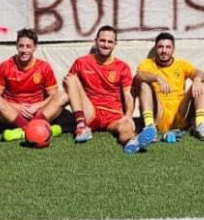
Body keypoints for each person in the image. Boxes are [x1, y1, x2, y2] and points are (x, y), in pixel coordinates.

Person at [63, 25, 154, 154]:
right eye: (102, 41)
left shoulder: (122, 67)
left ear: (115, 44)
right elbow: (68, 85)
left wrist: (128, 115)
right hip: (90, 112)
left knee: (126, 127)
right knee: (71, 79)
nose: (106, 45)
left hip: (113, 114)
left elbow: (128, 95)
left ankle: (131, 143)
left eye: (110, 42)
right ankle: (81, 126)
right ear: (96, 41)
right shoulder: (82, 62)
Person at [0, 28, 68, 142]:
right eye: (21, 46)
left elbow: (53, 96)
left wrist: (37, 106)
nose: (24, 50)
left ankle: (25, 131)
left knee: (63, 96)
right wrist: (17, 107)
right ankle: (35, 129)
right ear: (16, 46)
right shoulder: (5, 66)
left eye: (28, 46)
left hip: (38, 113)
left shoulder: (44, 67)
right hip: (13, 114)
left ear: (35, 47)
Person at [135, 32, 204, 142]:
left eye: (168, 47)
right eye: (160, 47)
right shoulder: (147, 64)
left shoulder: (181, 64)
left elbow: (201, 73)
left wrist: (197, 79)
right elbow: (139, 75)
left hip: (180, 112)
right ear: (156, 48)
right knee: (144, 84)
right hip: (159, 114)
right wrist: (157, 78)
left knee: (201, 82)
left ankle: (200, 125)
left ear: (173, 49)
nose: (164, 50)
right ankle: (150, 128)